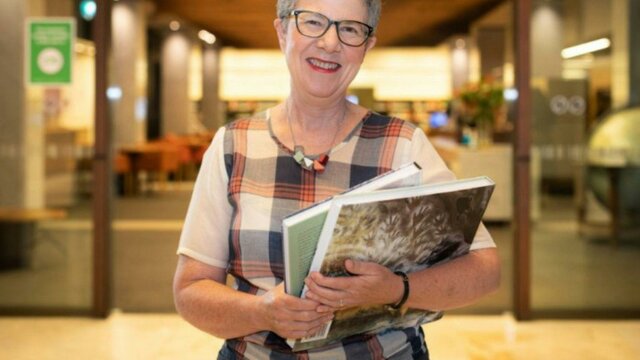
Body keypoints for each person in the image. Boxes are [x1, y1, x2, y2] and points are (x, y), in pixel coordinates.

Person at [173, 0, 501, 358]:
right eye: (313, 22)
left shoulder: (403, 146)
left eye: (350, 29)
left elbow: (484, 270)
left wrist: (394, 288)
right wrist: (262, 311)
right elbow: (190, 291)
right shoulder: (233, 144)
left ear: (366, 46)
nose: (331, 43)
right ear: (282, 31)